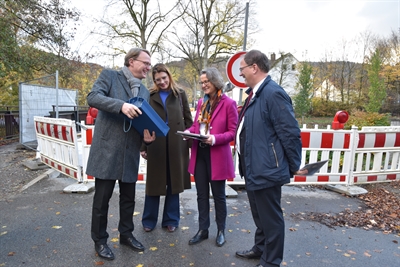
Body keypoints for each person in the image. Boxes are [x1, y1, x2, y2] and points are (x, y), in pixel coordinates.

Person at [234, 50, 307, 267]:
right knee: (259, 214)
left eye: (242, 69)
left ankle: (271, 260)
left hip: (267, 167)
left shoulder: (273, 93)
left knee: (271, 218)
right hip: (253, 166)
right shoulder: (256, 94)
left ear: (254, 67)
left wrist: (294, 165)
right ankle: (260, 248)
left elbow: (289, 132)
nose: (241, 74)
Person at [86, 48, 156, 261]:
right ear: (131, 61)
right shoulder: (109, 76)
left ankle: (126, 234)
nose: (148, 67)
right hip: (107, 150)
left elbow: (141, 121)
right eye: (145, 63)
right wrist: (121, 106)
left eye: (149, 64)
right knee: (102, 199)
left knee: (128, 199)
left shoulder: (144, 91)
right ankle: (100, 240)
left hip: (130, 152)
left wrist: (146, 140)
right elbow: (93, 97)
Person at [185, 67, 238, 247]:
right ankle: (203, 230)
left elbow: (232, 132)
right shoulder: (201, 103)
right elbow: (196, 127)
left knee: (219, 195)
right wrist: (187, 132)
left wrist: (215, 138)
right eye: (202, 82)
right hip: (200, 152)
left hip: (216, 154)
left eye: (206, 81)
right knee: (201, 194)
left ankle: (221, 230)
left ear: (215, 81)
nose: (204, 85)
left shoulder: (228, 103)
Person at [140, 63, 193, 233]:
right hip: (156, 143)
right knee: (154, 183)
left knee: (174, 182)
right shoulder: (150, 95)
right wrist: (144, 146)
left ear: (169, 76)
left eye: (164, 78)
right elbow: (143, 122)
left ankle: (171, 219)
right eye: (158, 80)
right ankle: (149, 220)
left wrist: (190, 143)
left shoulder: (180, 94)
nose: (162, 82)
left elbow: (188, 120)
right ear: (154, 81)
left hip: (177, 144)